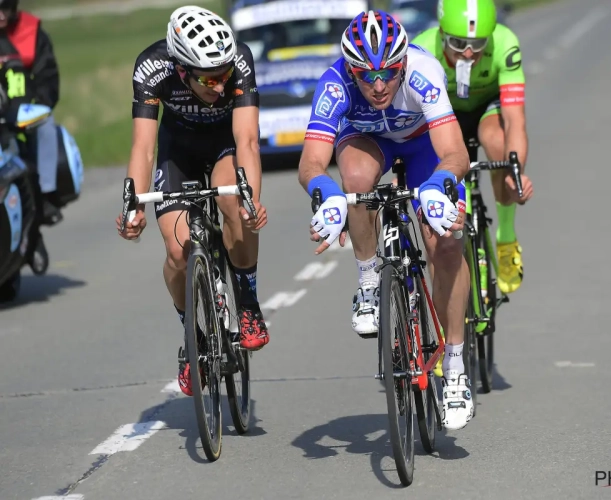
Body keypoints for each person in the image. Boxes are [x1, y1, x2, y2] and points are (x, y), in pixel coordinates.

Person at [298, 9, 474, 430]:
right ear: (350, 70)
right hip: (367, 142)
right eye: (366, 76)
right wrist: (326, 196)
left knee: (444, 243)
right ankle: (369, 280)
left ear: (402, 64)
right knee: (354, 182)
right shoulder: (334, 83)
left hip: (422, 148)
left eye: (389, 74)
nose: (378, 86)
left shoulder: (423, 71)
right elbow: (311, 162)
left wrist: (440, 184)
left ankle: (454, 367)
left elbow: (456, 153)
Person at [116, 6, 269, 397]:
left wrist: (251, 198)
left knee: (235, 204)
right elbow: (144, 147)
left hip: (223, 143)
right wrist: (132, 205)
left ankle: (248, 301)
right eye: (208, 78)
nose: (219, 86)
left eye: (224, 76)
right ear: (181, 70)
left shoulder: (239, 60)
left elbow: (247, 141)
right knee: (177, 251)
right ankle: (194, 335)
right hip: (177, 150)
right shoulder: (152, 67)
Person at [412, 0, 534, 295]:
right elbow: (412, 120)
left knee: (496, 140)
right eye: (457, 43)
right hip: (444, 114)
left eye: (478, 44)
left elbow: (515, 120)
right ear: (441, 33)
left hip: (486, 107)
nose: (468, 53)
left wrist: (515, 173)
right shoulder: (421, 49)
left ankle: (505, 235)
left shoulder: (504, 42)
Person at [0, 0, 62, 225]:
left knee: (46, 124)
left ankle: (46, 194)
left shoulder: (33, 33)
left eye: (5, 8)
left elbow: (48, 76)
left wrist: (38, 104)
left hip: (24, 109)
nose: (1, 15)